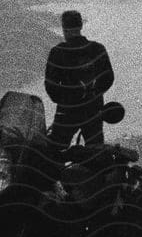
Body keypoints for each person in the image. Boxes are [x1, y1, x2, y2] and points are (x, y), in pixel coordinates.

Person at [44, 10, 114, 151]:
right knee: (96, 152)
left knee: (54, 151)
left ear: (64, 28)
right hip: (93, 109)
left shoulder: (58, 52)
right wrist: (94, 94)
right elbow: (108, 78)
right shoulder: (97, 49)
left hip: (67, 111)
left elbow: (51, 86)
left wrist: (66, 99)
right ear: (81, 26)